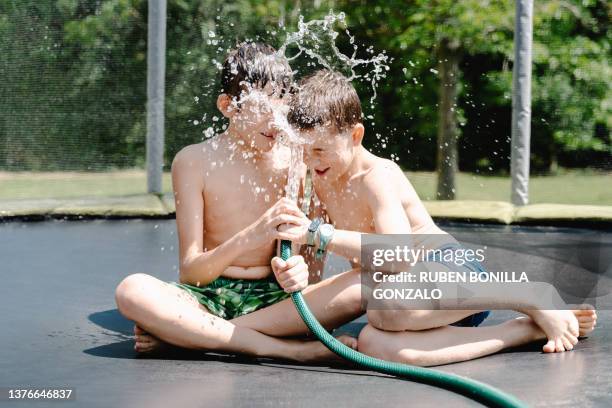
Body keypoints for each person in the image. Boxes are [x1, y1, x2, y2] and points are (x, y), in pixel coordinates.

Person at [278, 69, 597, 365]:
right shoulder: (319, 178)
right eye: (304, 149)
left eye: (319, 149)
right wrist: (294, 275)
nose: (310, 159)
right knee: (376, 344)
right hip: (411, 306)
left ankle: (525, 294)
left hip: (449, 272)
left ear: (355, 136)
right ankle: (522, 330)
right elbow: (312, 261)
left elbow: (399, 256)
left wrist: (319, 234)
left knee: (385, 307)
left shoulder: (377, 174)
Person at [115, 44, 364, 362]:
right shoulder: (194, 162)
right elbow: (192, 274)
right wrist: (252, 235)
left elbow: (310, 270)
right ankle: (288, 351)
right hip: (207, 297)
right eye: (262, 107)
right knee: (131, 290)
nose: (275, 121)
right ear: (227, 106)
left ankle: (194, 336)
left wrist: (299, 272)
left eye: (282, 105)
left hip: (278, 305)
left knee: (361, 286)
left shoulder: (300, 159)